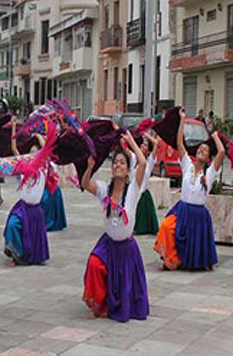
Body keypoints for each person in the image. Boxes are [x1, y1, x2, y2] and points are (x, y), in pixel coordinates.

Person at [81, 131, 150, 322]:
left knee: (122, 284)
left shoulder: (133, 190)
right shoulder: (105, 189)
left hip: (126, 248)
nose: (118, 165)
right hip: (108, 244)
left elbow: (143, 164)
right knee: (94, 264)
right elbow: (85, 184)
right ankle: (101, 303)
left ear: (128, 170)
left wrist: (130, 143)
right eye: (115, 162)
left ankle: (115, 305)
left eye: (122, 162)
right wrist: (89, 168)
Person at [154, 108, 225, 271]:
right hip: (183, 209)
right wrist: (182, 120)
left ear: (208, 158)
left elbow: (221, 152)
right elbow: (180, 143)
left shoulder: (210, 173)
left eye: (205, 150)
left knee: (195, 241)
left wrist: (214, 136)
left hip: (198, 213)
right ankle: (170, 258)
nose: (201, 150)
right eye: (200, 148)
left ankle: (188, 261)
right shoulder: (187, 166)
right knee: (166, 226)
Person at [3, 117, 50, 266]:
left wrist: (38, 137)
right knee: (12, 225)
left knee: (31, 236)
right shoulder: (23, 168)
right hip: (22, 207)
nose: (32, 156)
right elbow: (14, 150)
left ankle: (29, 256)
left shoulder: (43, 169)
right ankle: (15, 255)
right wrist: (14, 128)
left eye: (35, 154)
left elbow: (47, 148)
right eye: (30, 154)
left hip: (35, 210)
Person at [132, 134, 160, 235]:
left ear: (148, 151)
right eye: (141, 145)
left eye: (145, 146)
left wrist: (145, 134)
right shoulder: (133, 159)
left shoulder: (150, 162)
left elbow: (156, 143)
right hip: (133, 192)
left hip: (142, 194)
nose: (142, 147)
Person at [40, 163, 68, 232]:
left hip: (51, 186)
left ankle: (50, 222)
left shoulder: (51, 163)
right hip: (45, 186)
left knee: (48, 198)